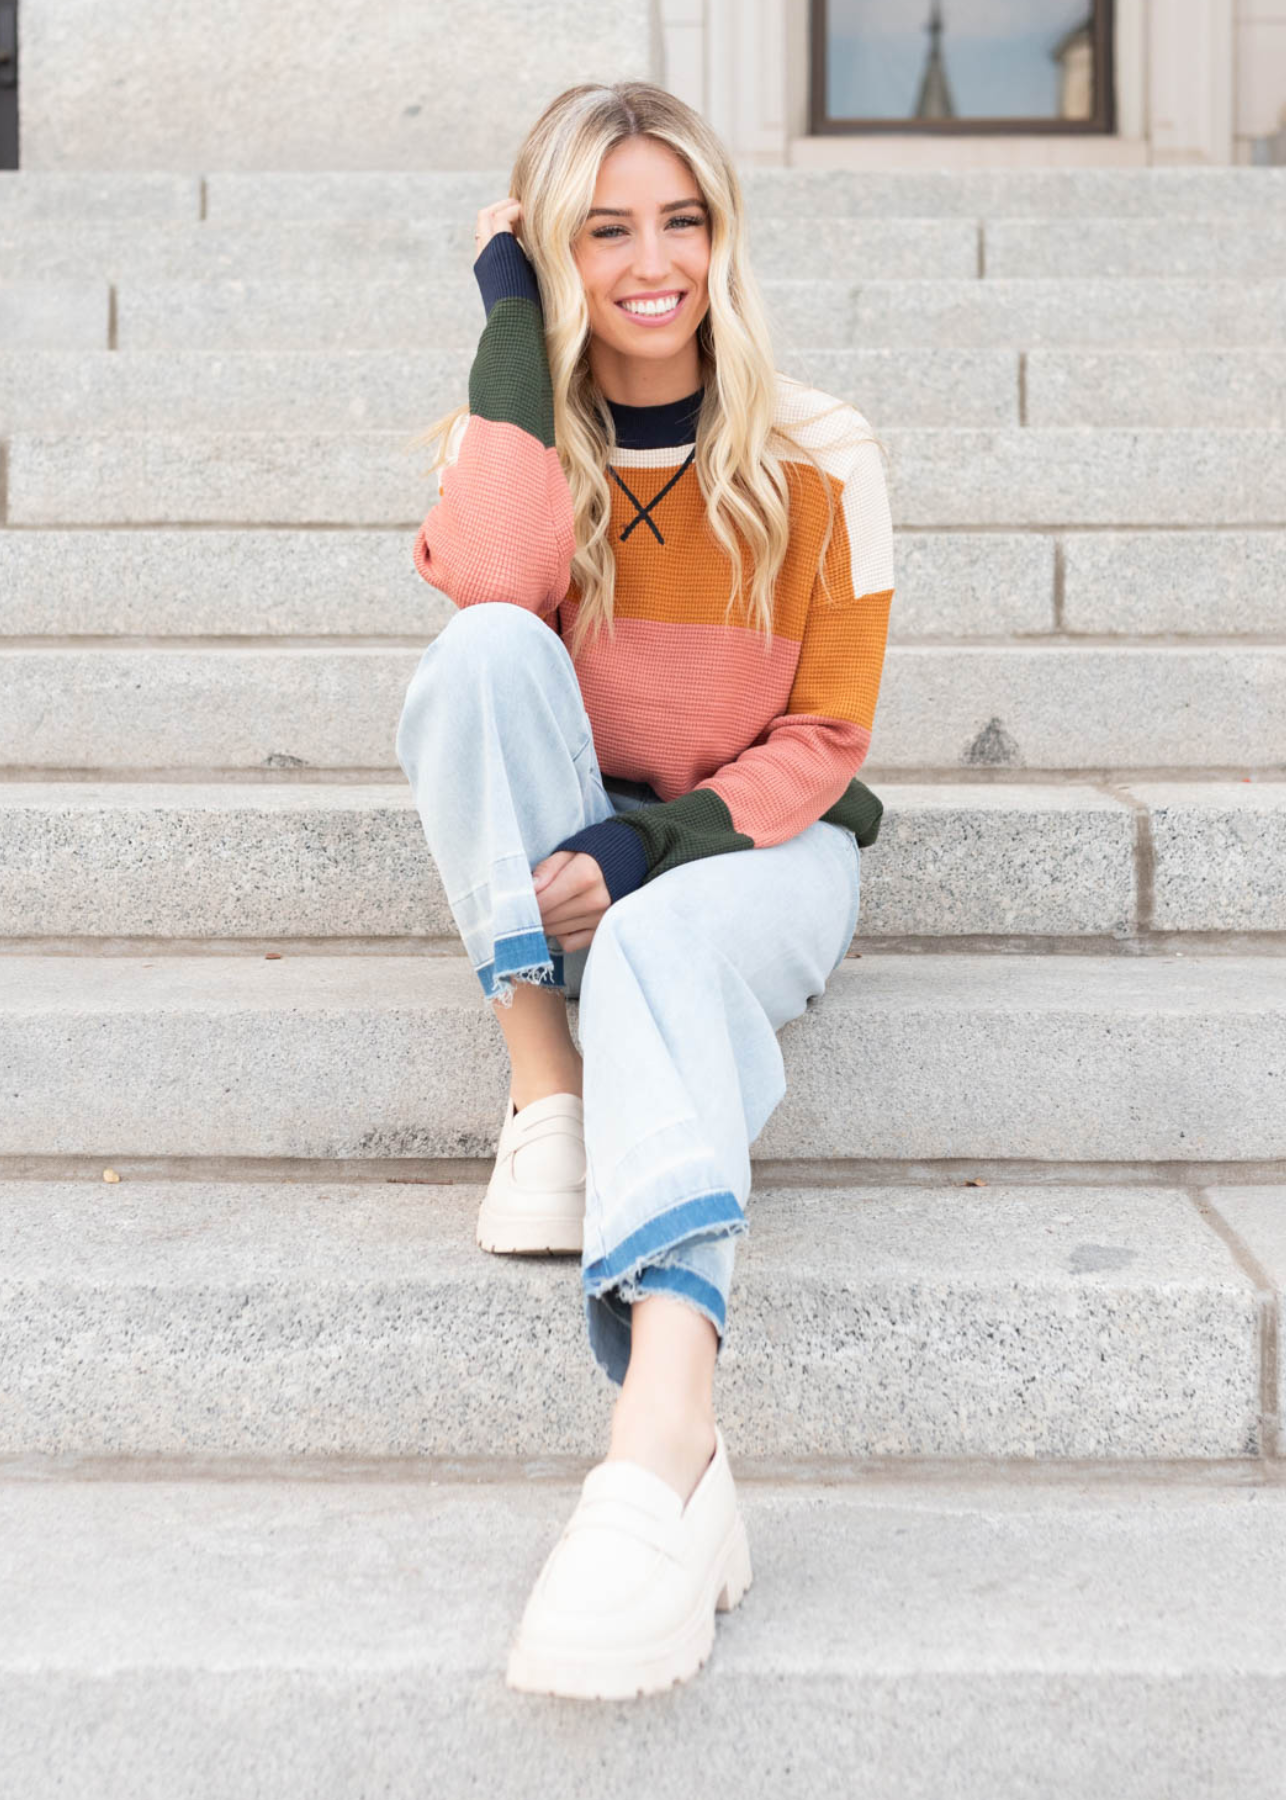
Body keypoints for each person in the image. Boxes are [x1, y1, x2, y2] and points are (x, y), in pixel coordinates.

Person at [395, 78, 894, 1701]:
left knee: (667, 934)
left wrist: (646, 848)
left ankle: (665, 1436)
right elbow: (488, 586)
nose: (651, 261)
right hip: (570, 839)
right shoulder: (528, 437)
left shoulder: (824, 453)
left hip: (756, 846)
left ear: (721, 235)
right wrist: (503, 329)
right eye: (601, 229)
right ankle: (547, 1091)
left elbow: (824, 733)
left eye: (677, 220)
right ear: (554, 252)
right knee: (477, 652)